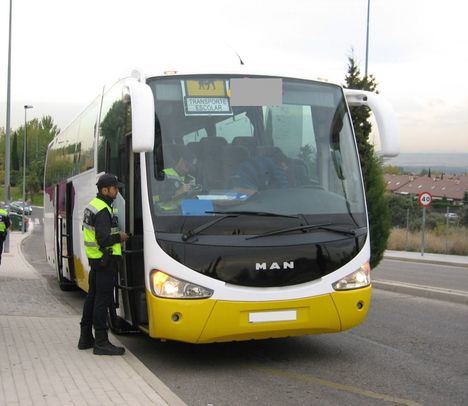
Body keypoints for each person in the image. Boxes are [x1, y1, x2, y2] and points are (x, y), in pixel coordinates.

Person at [78, 173, 129, 355]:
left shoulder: (96, 206)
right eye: (115, 188)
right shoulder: (102, 210)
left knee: (92, 298)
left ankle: (85, 337)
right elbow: (104, 238)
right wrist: (120, 236)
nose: (117, 191)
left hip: (97, 261)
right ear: (105, 190)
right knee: (102, 300)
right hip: (105, 261)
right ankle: (101, 342)